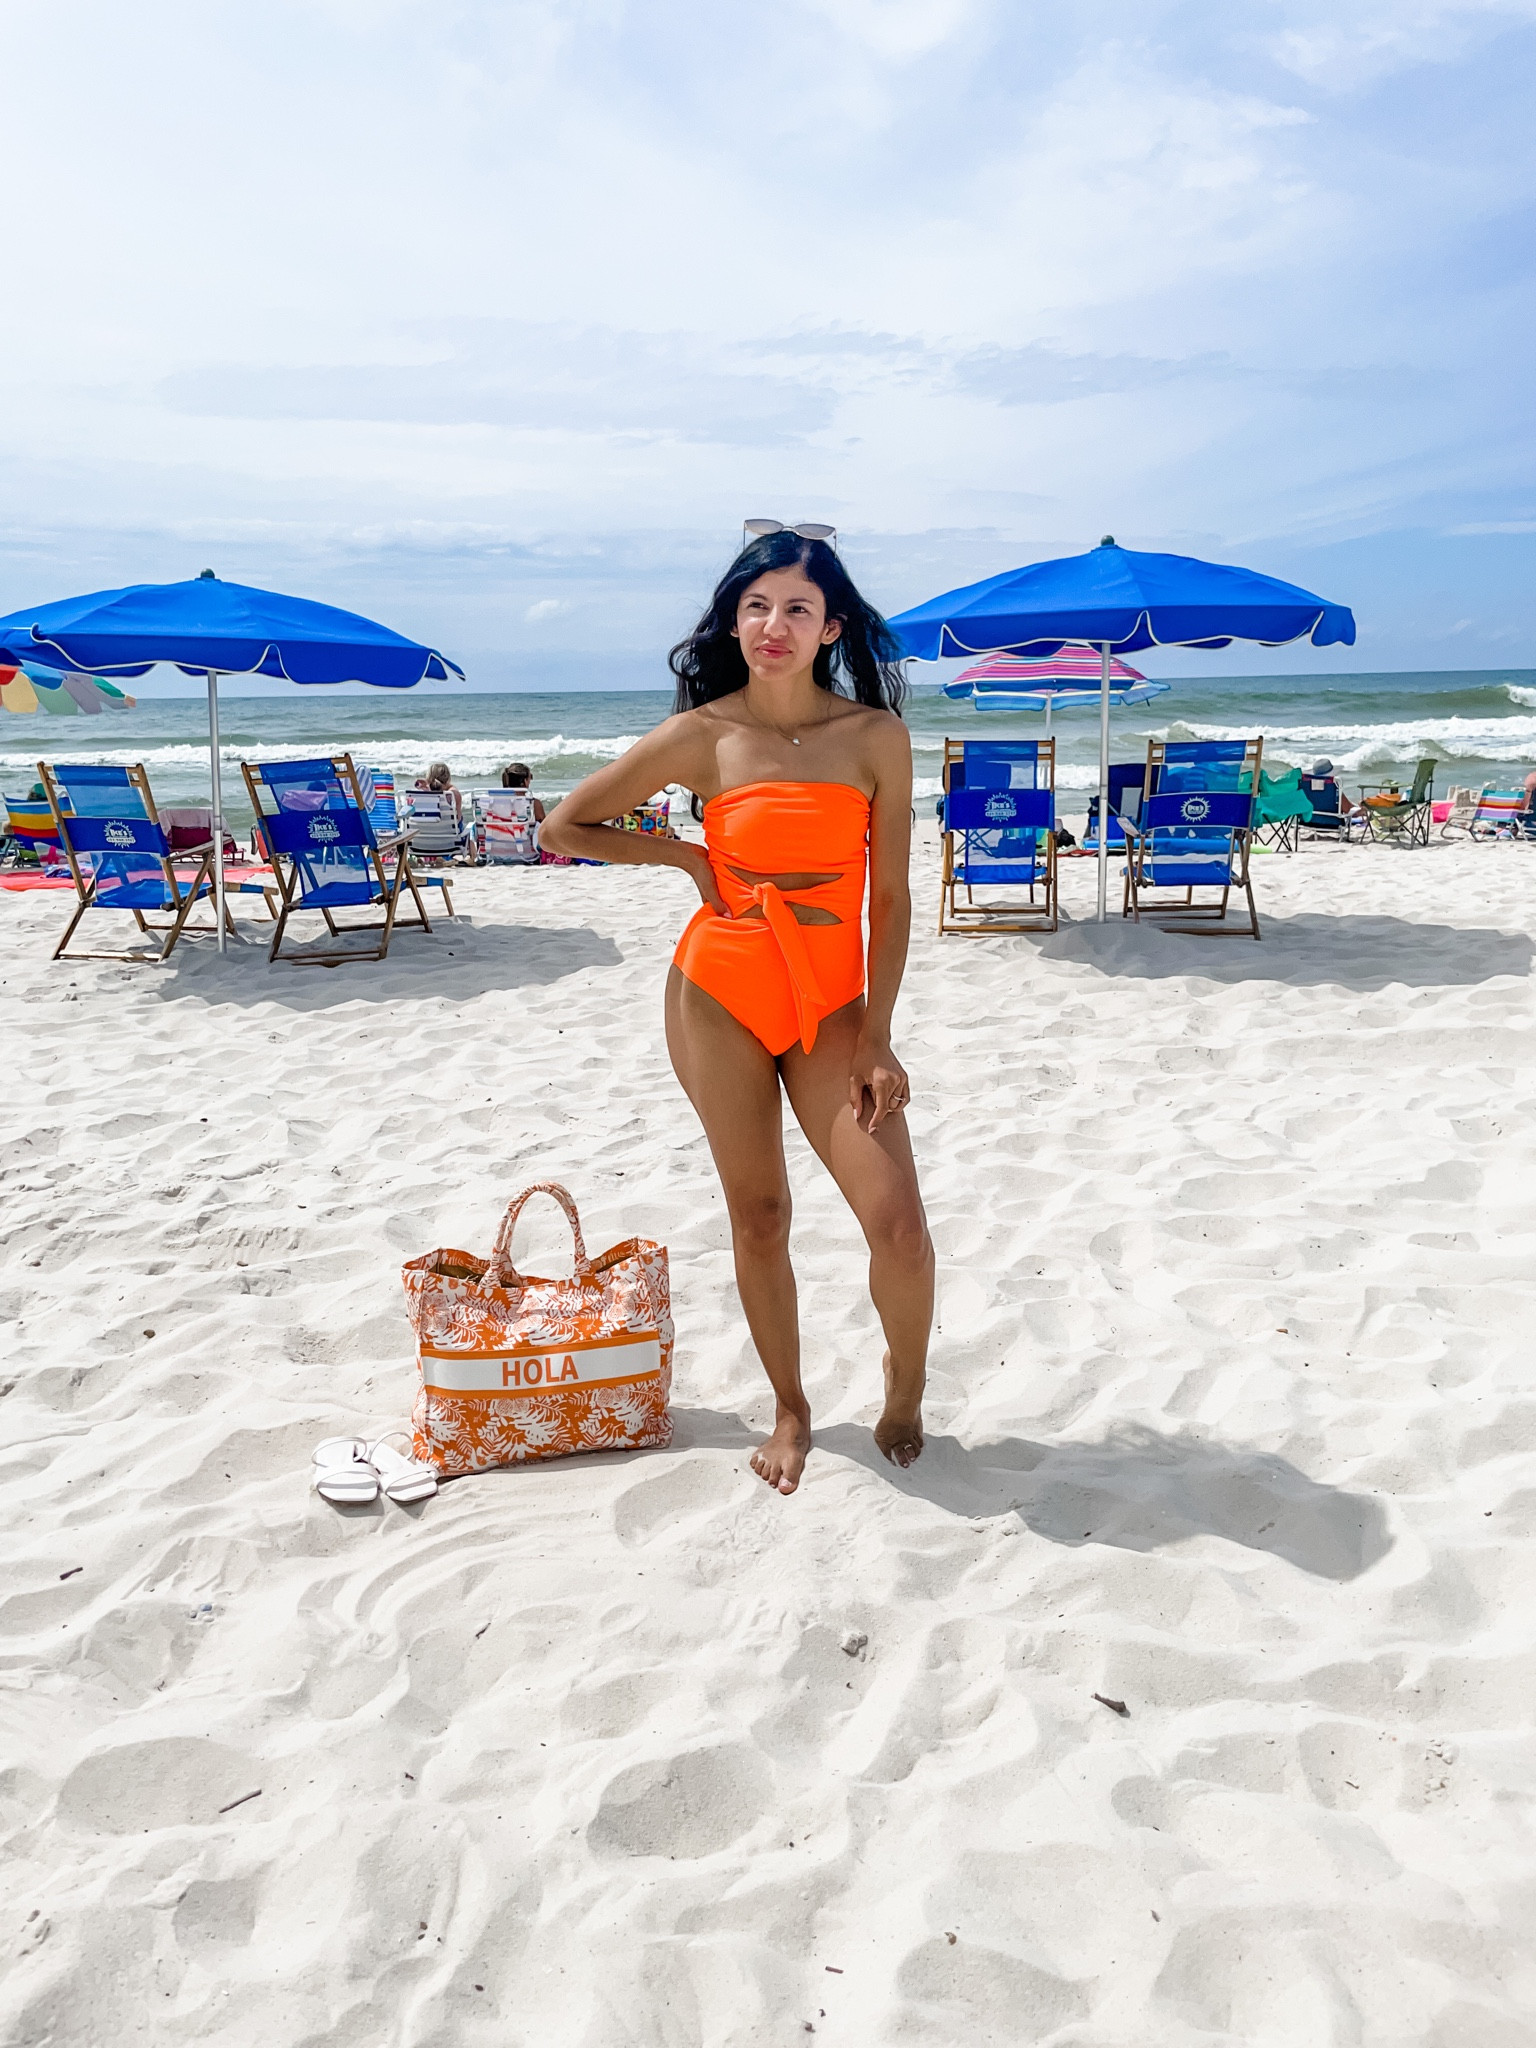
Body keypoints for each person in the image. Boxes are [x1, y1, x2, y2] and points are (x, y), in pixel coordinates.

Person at [540, 529, 933, 1495]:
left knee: (899, 1226)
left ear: (830, 627)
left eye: (797, 608)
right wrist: (683, 858)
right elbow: (564, 826)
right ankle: (791, 1407)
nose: (773, 625)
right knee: (760, 1216)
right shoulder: (702, 735)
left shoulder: (875, 736)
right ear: (735, 621)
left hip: (835, 999)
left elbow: (890, 897)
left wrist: (878, 1033)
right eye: (756, 607)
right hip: (719, 991)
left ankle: (905, 1386)